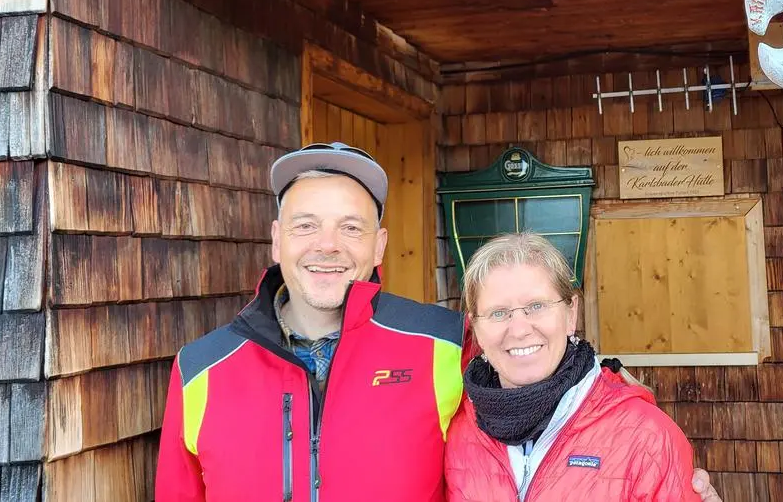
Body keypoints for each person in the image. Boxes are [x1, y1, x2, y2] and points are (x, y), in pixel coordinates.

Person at [155, 142, 724, 501]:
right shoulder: (201, 368)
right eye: (305, 225)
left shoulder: (443, 342)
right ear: (277, 241)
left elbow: (541, 373)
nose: (327, 246)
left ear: (378, 246)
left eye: (351, 228)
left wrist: (641, 424)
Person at [445, 232, 704, 501]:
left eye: (536, 306)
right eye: (499, 313)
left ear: (571, 314)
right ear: (476, 329)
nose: (519, 329)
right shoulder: (453, 430)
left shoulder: (646, 435)